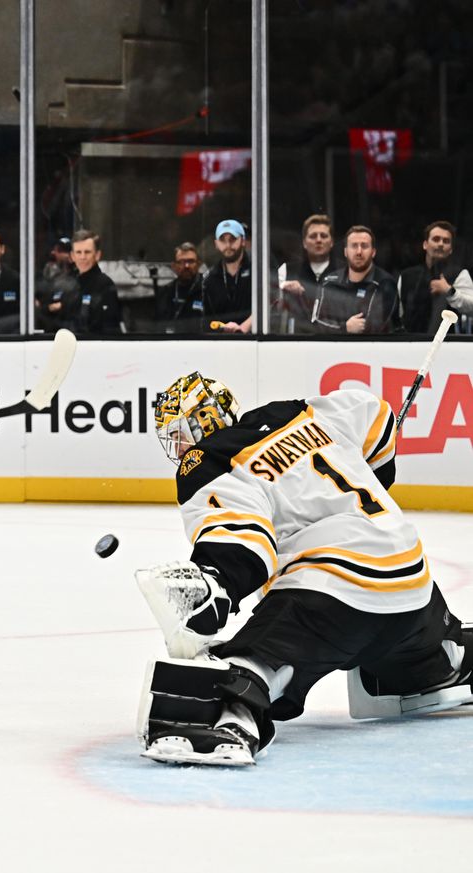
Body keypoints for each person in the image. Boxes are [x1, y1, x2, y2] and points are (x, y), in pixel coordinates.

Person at [137, 372, 473, 766]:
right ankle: (444, 659)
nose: (177, 446)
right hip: (411, 583)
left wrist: (214, 583)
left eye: (178, 433)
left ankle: (231, 716)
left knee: (261, 660)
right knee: (423, 659)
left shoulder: (211, 460)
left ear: (204, 421)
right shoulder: (301, 412)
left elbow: (243, 541)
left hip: (334, 595)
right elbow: (379, 421)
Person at [308, 225, 397, 335]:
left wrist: (337, 327)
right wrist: (345, 328)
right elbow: (316, 323)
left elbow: (373, 328)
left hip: (373, 350)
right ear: (345, 251)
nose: (359, 252)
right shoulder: (329, 282)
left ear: (373, 252)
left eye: (364, 246)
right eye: (354, 246)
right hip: (333, 350)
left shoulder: (385, 283)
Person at [395, 220, 473, 335]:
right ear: (425, 244)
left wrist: (450, 292)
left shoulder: (460, 274)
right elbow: (398, 314)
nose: (441, 244)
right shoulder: (407, 275)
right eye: (436, 239)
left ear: (451, 249)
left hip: (450, 345)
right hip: (410, 344)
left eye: (446, 241)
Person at [47, 229, 121, 335]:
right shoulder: (68, 284)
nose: (82, 257)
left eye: (87, 252)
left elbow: (108, 327)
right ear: (72, 256)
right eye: (78, 252)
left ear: (97, 255)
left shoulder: (105, 285)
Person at [202, 219, 252, 332]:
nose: (228, 245)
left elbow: (270, 304)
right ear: (216, 244)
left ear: (243, 241)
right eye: (223, 240)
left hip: (253, 340)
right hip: (219, 342)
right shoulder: (209, 278)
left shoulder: (258, 271)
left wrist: (243, 328)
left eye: (233, 239)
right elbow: (206, 318)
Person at [153, 242, 204, 333]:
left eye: (191, 261)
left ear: (199, 264)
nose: (186, 266)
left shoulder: (208, 290)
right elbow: (158, 327)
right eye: (182, 262)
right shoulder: (164, 292)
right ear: (174, 266)